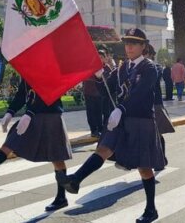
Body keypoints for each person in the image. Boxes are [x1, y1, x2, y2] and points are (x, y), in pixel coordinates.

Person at [60, 28, 165, 223]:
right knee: (104, 148)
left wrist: (121, 109)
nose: (129, 47)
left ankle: (151, 208)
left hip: (141, 120)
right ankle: (76, 180)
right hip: (123, 118)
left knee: (144, 168)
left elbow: (140, 93)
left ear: (143, 46)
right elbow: (106, 90)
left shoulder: (150, 68)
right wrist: (100, 77)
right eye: (127, 43)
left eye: (134, 43)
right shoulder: (123, 68)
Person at [0, 77, 73, 211]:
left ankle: (61, 197)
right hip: (32, 117)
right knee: (9, 144)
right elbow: (21, 95)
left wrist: (29, 113)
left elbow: (49, 95)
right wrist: (10, 112)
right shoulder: (28, 70)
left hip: (50, 116)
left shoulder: (49, 69)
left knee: (56, 157)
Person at [144, 44, 175, 166]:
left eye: (145, 53)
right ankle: (157, 158)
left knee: (157, 133)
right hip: (143, 105)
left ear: (151, 55)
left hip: (155, 104)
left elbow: (153, 78)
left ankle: (161, 157)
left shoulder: (156, 67)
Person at [83, 66, 103, 138]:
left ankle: (100, 128)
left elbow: (100, 76)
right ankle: (94, 130)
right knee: (91, 112)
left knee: (99, 112)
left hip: (98, 92)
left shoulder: (100, 66)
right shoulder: (87, 66)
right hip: (89, 92)